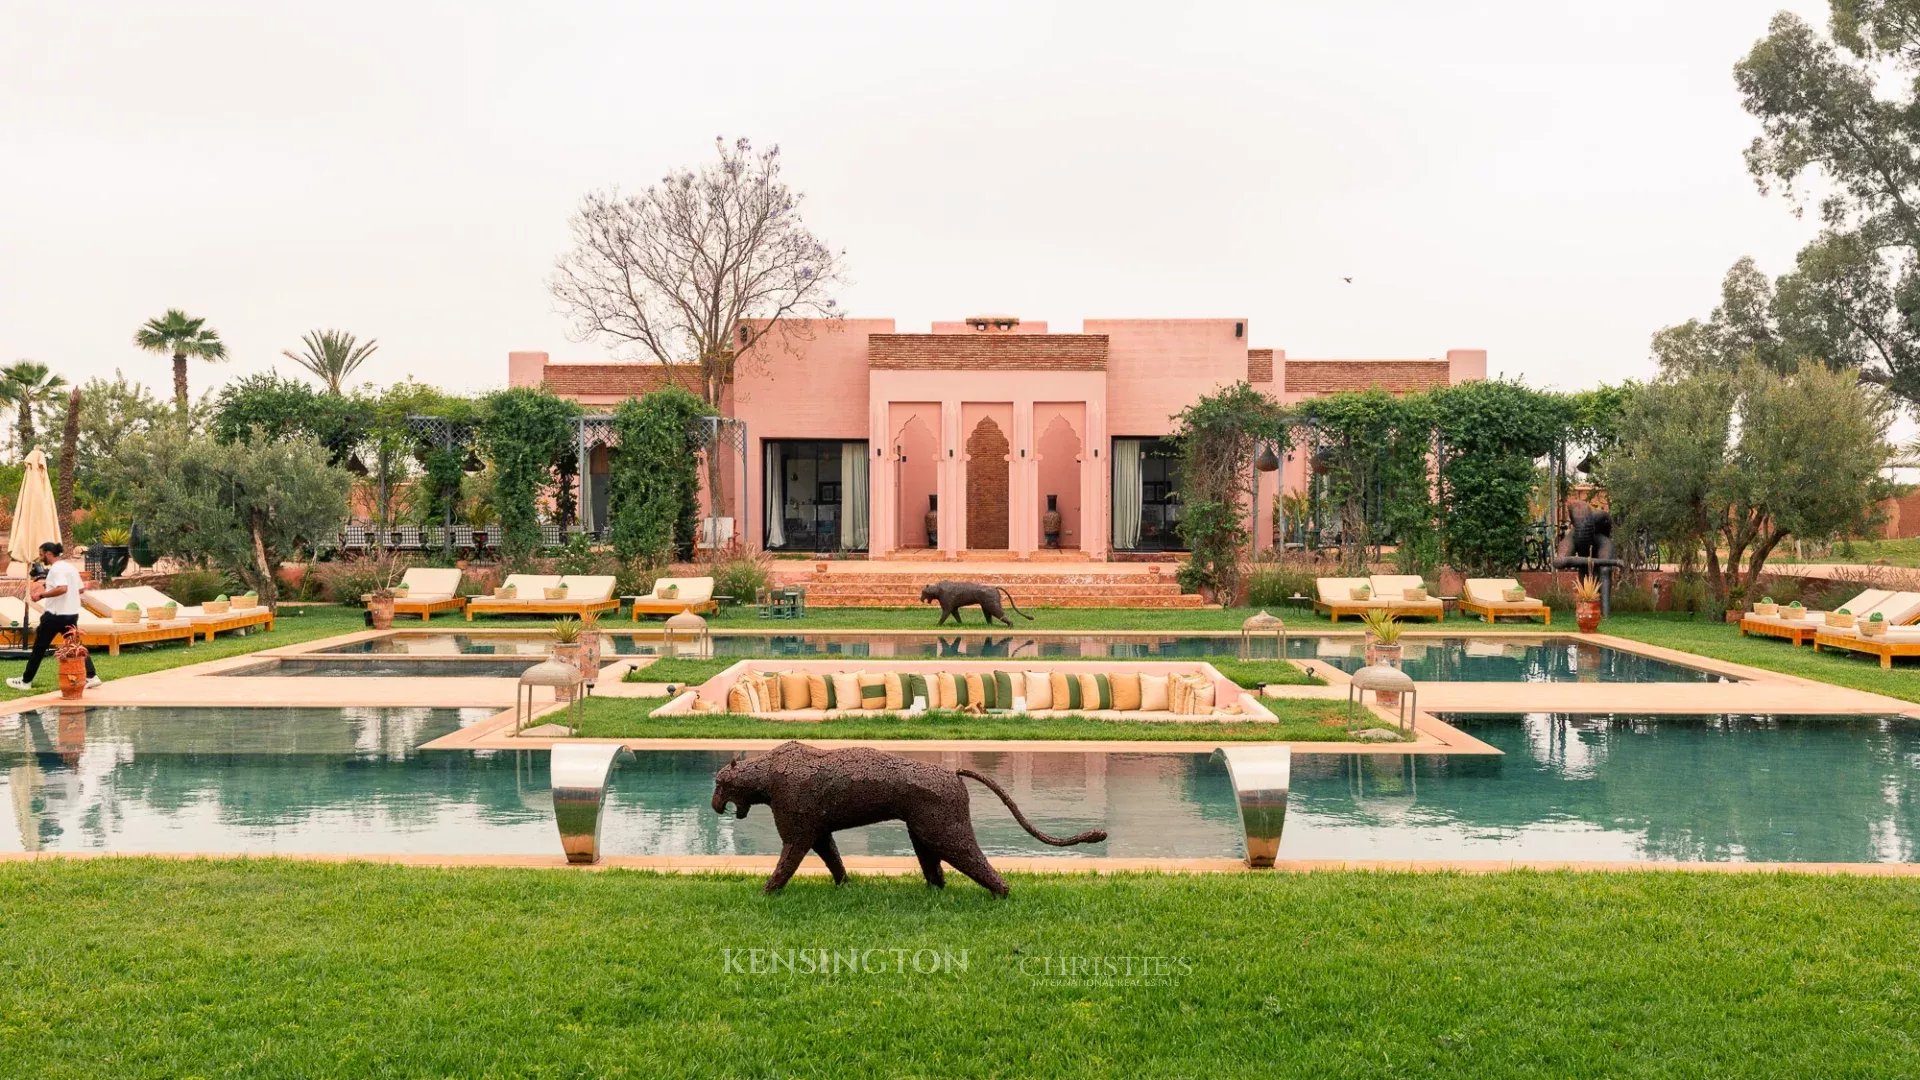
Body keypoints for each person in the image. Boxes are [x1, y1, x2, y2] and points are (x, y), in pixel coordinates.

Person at [6, 542, 100, 691]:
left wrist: (41, 594)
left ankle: (25, 681)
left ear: (49, 554)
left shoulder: (56, 570)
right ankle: (92, 676)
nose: (41, 557)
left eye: (42, 554)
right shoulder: (70, 567)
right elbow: (80, 589)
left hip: (55, 616)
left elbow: (62, 588)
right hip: (70, 614)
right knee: (76, 646)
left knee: (39, 648)